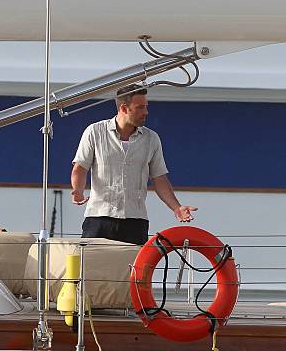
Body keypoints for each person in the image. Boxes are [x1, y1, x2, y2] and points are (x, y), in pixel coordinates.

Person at [71, 84, 197, 245]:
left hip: (135, 221)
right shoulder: (95, 132)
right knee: (92, 268)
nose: (146, 112)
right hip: (99, 217)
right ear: (124, 108)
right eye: (140, 108)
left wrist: (176, 208)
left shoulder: (151, 138)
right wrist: (77, 190)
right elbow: (80, 167)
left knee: (135, 270)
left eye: (146, 107)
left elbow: (159, 178)